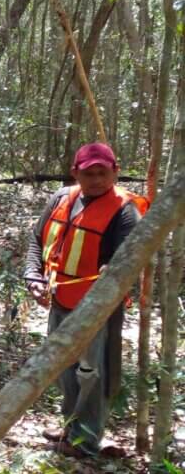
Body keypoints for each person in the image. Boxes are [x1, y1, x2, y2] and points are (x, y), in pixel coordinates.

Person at [23, 142, 144, 458]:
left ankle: (86, 439)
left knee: (93, 372)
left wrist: (113, 270)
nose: (96, 180)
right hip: (60, 300)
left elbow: (130, 258)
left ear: (115, 172)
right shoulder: (61, 199)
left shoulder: (125, 211)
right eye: (88, 173)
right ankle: (71, 426)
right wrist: (32, 276)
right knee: (64, 367)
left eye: (103, 172)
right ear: (75, 173)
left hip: (98, 311)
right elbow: (38, 240)